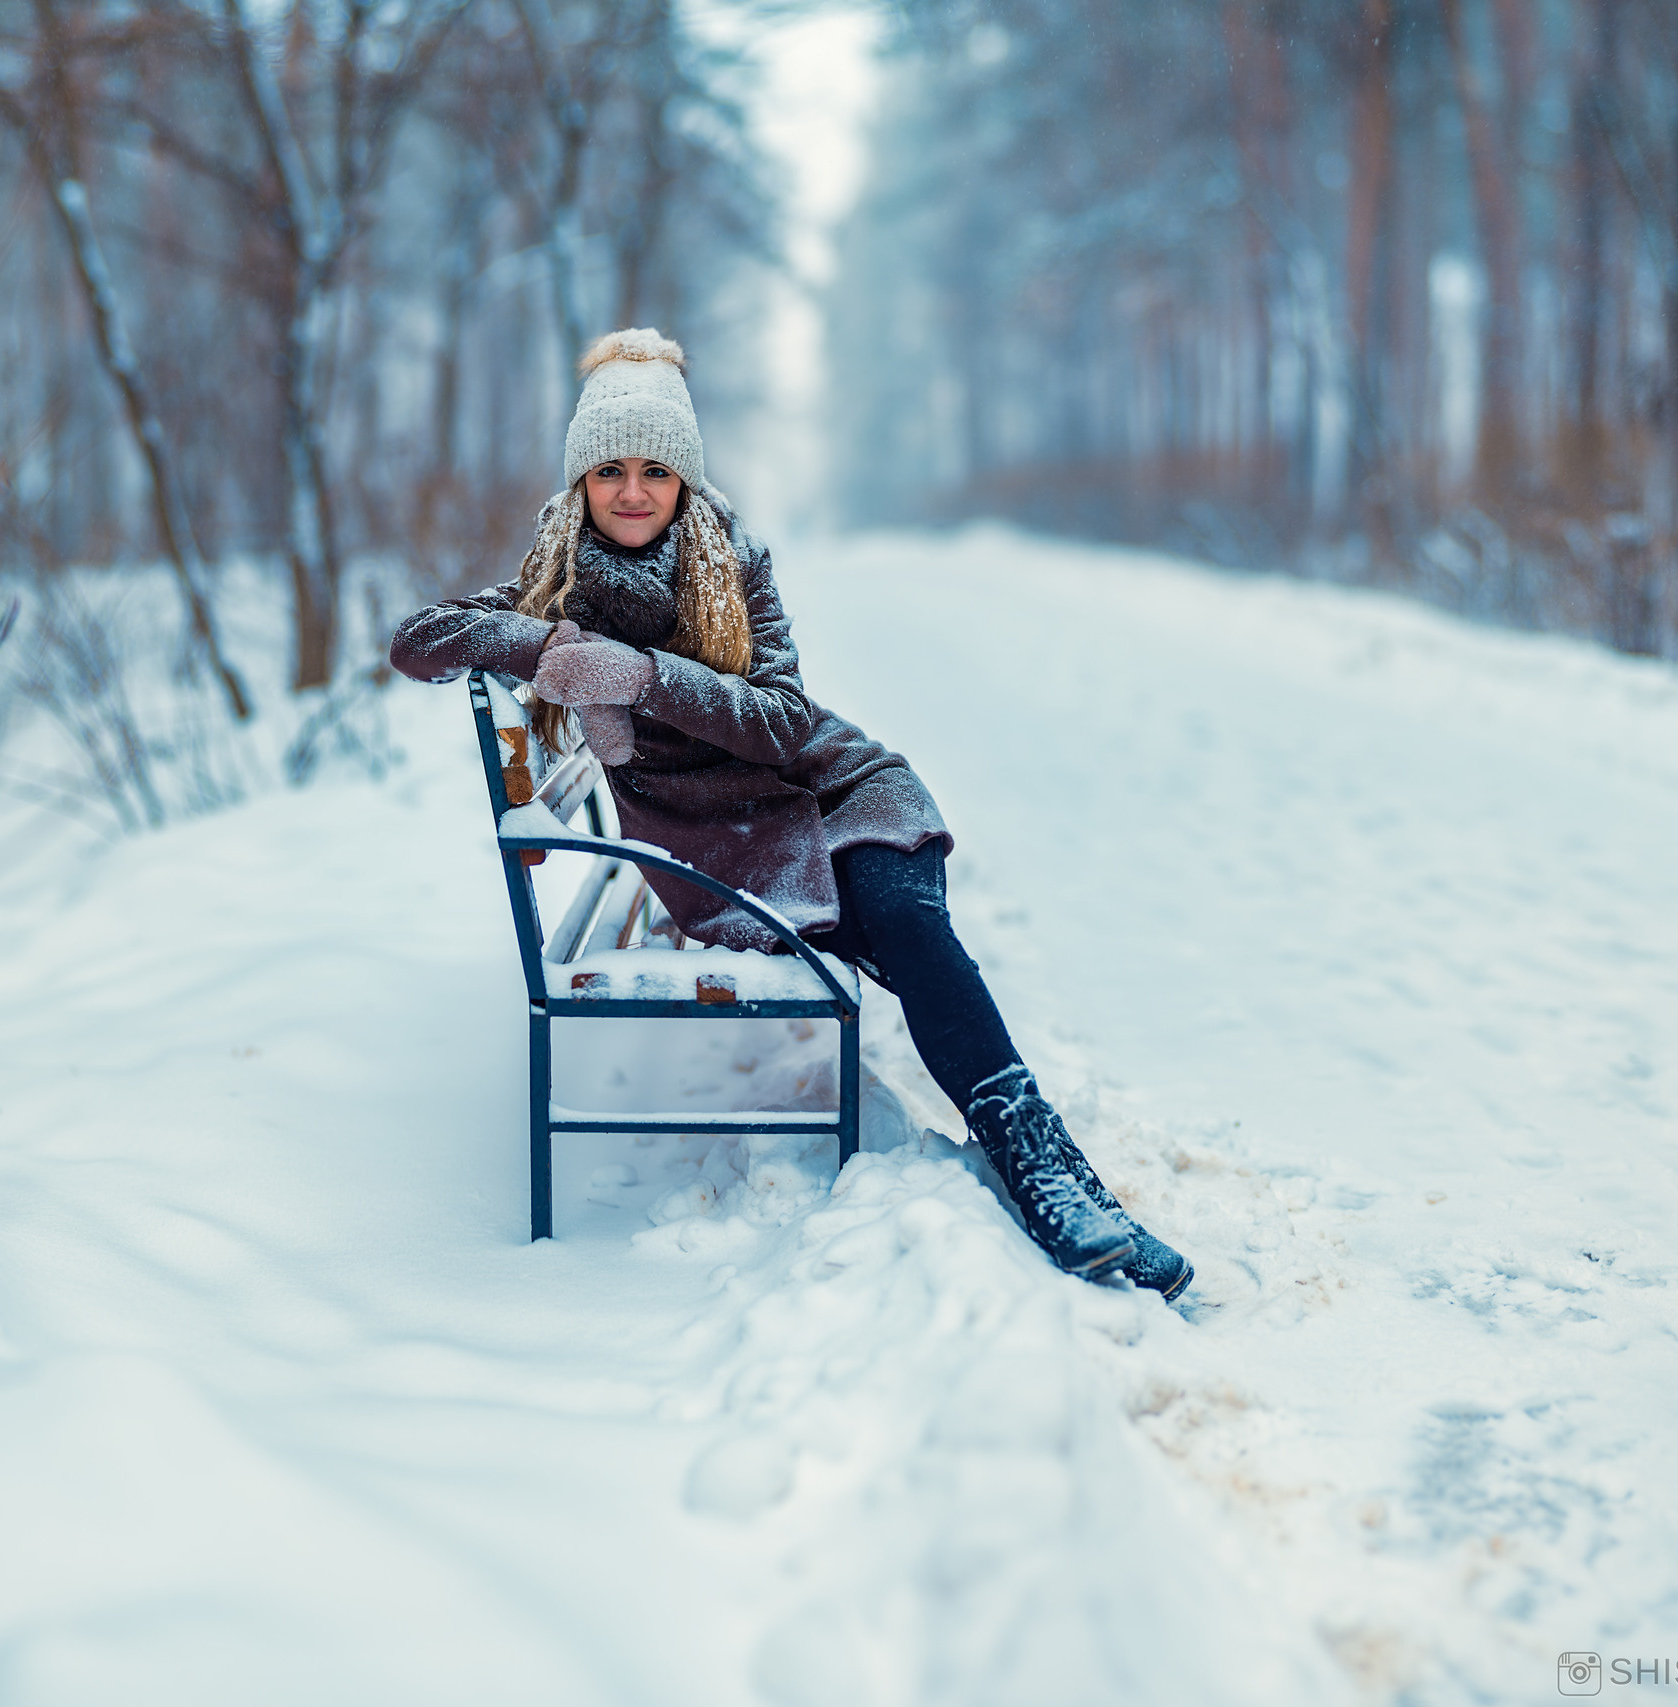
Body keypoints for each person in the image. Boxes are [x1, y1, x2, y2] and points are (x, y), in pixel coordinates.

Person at [390, 329, 1190, 1299]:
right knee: (905, 946)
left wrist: (640, 677)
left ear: (686, 478)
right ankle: (1046, 1167)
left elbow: (779, 721)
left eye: (656, 469)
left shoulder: (735, 566)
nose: (633, 491)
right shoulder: (555, 576)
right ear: (580, 482)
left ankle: (1046, 1172)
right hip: (730, 850)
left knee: (906, 924)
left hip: (841, 790)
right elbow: (420, 640)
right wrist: (546, 642)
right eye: (608, 470)